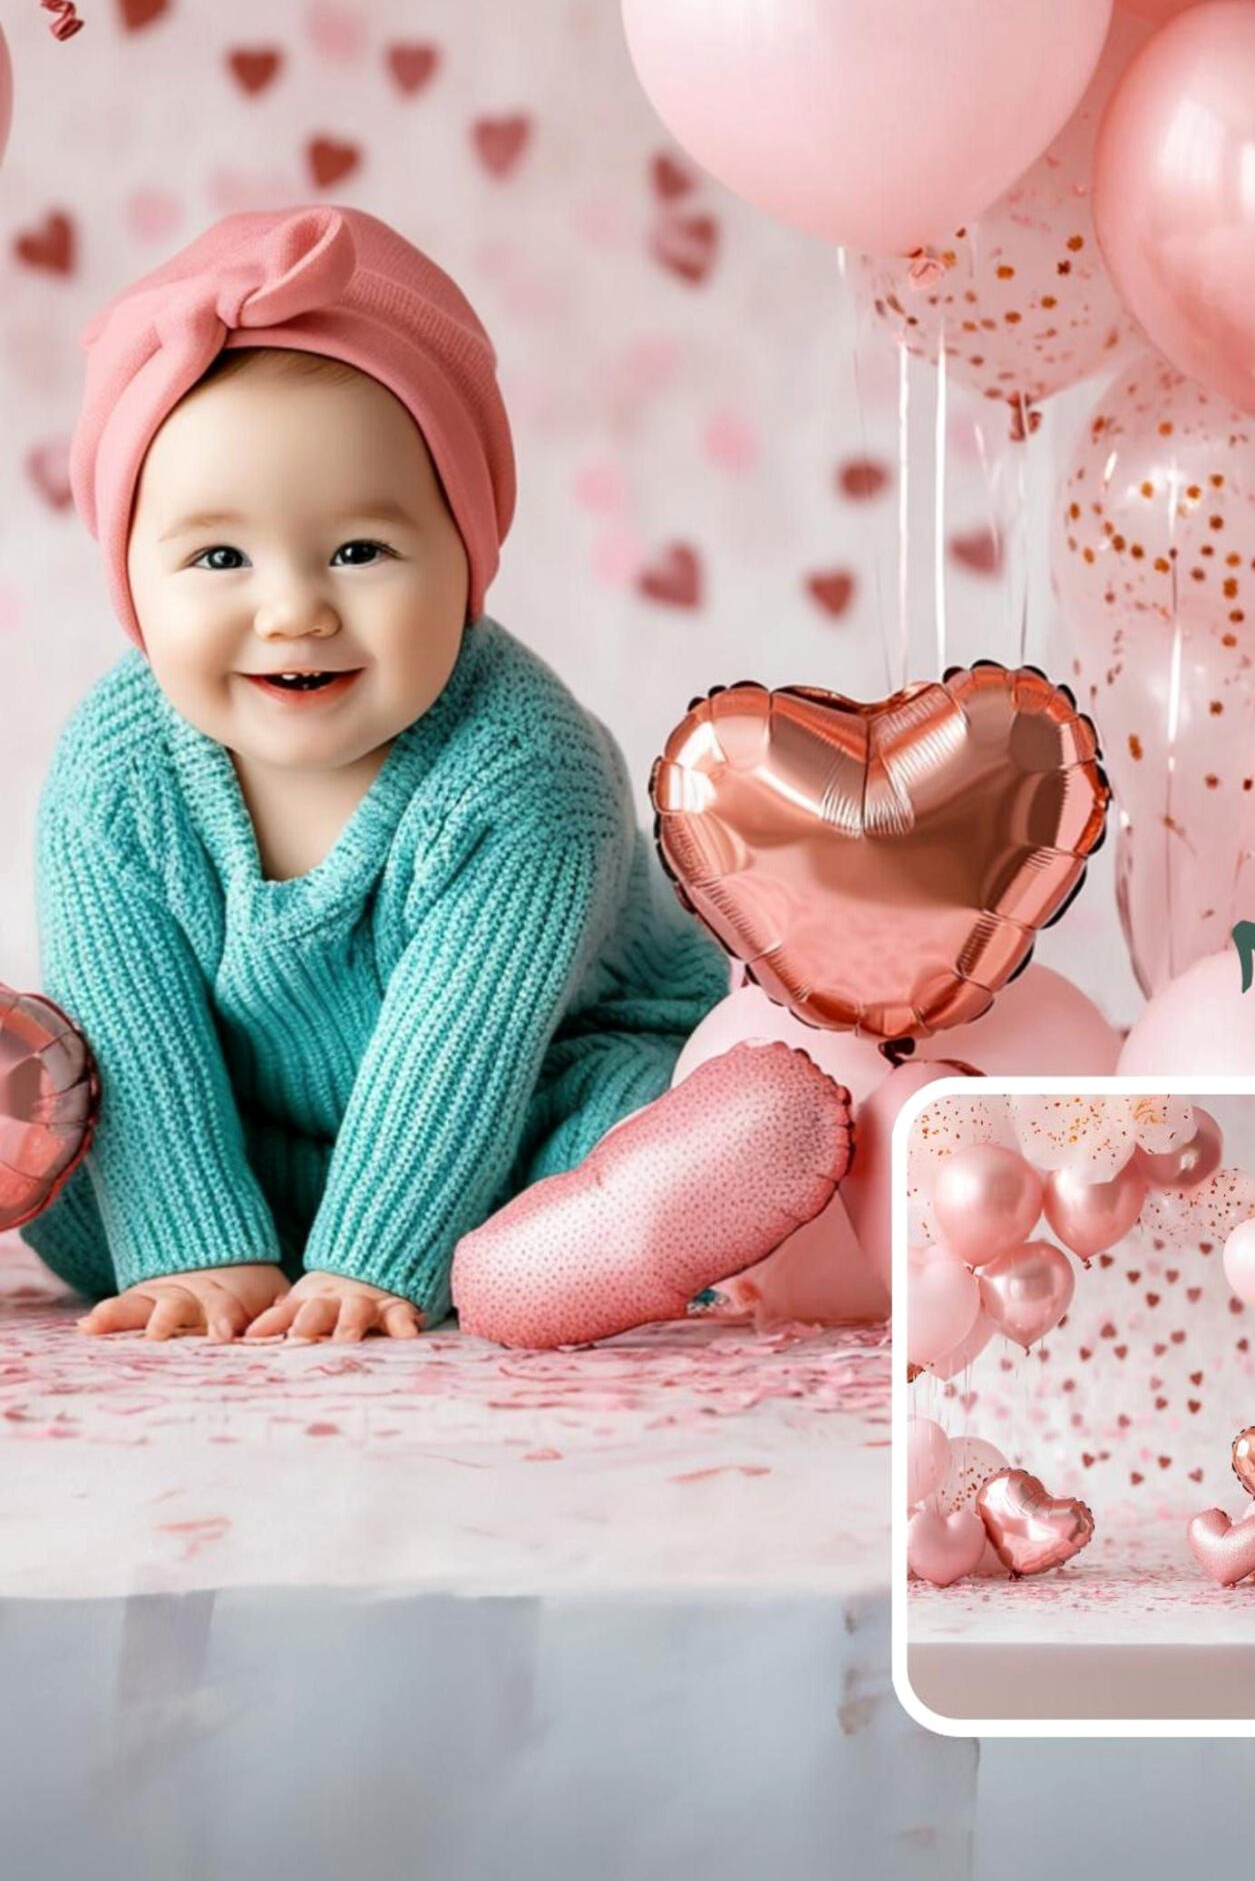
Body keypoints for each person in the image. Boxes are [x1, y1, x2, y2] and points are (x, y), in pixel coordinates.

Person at [26, 205, 851, 1347]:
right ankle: (268, 1245)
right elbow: (138, 1027)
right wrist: (192, 1249)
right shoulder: (113, 770)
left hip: (531, 1087)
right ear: (132, 581)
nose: (294, 609)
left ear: (469, 553)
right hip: (261, 1133)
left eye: (359, 551)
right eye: (219, 557)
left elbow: (459, 1051)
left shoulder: (527, 771)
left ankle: (612, 1240)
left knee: (629, 1123)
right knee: (76, 1143)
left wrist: (373, 1263)